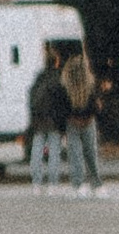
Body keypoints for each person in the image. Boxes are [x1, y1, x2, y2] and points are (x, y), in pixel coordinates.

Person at [57, 44, 103, 196]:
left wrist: (65, 125)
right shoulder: (90, 85)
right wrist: (89, 118)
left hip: (72, 123)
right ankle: (96, 185)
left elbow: (62, 109)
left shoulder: (65, 87)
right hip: (88, 122)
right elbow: (96, 107)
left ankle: (79, 185)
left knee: (75, 156)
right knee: (91, 155)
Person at [26, 50, 69, 190]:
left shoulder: (39, 78)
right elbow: (62, 103)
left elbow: (31, 99)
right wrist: (63, 124)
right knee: (54, 152)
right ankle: (52, 183)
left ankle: (36, 183)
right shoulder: (58, 79)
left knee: (37, 152)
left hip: (39, 121)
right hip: (54, 121)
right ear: (56, 62)